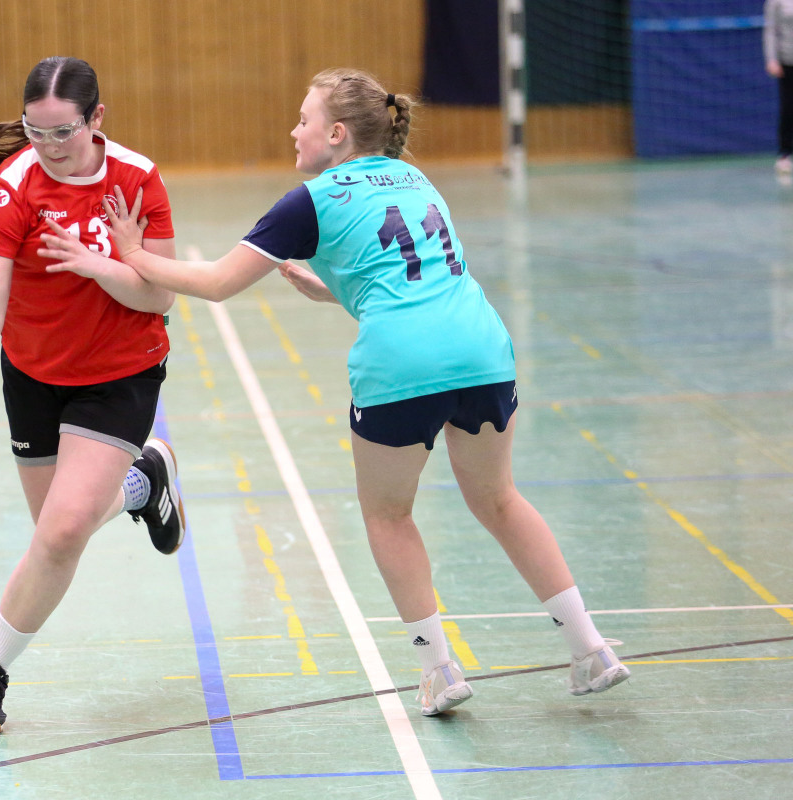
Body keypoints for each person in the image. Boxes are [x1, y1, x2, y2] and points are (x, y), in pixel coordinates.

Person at [40, 67, 630, 716]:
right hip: (484, 349)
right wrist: (336, 289)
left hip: (400, 366)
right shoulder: (414, 178)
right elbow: (413, 275)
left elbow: (215, 283)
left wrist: (131, 253)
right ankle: (590, 648)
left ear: (337, 134)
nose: (295, 132)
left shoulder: (310, 201)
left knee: (389, 516)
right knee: (500, 500)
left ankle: (438, 669)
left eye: (304, 120)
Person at [0, 56, 187, 735]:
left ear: (96, 118)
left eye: (63, 132)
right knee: (54, 530)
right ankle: (143, 483)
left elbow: (160, 294)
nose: (48, 146)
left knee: (64, 530)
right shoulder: (11, 191)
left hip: (121, 372)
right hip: (35, 375)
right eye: (35, 131)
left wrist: (96, 265)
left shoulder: (137, 178)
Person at [765, 0, 793, 174]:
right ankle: (785, 154)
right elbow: (771, 30)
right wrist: (772, 59)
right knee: (788, 108)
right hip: (787, 60)